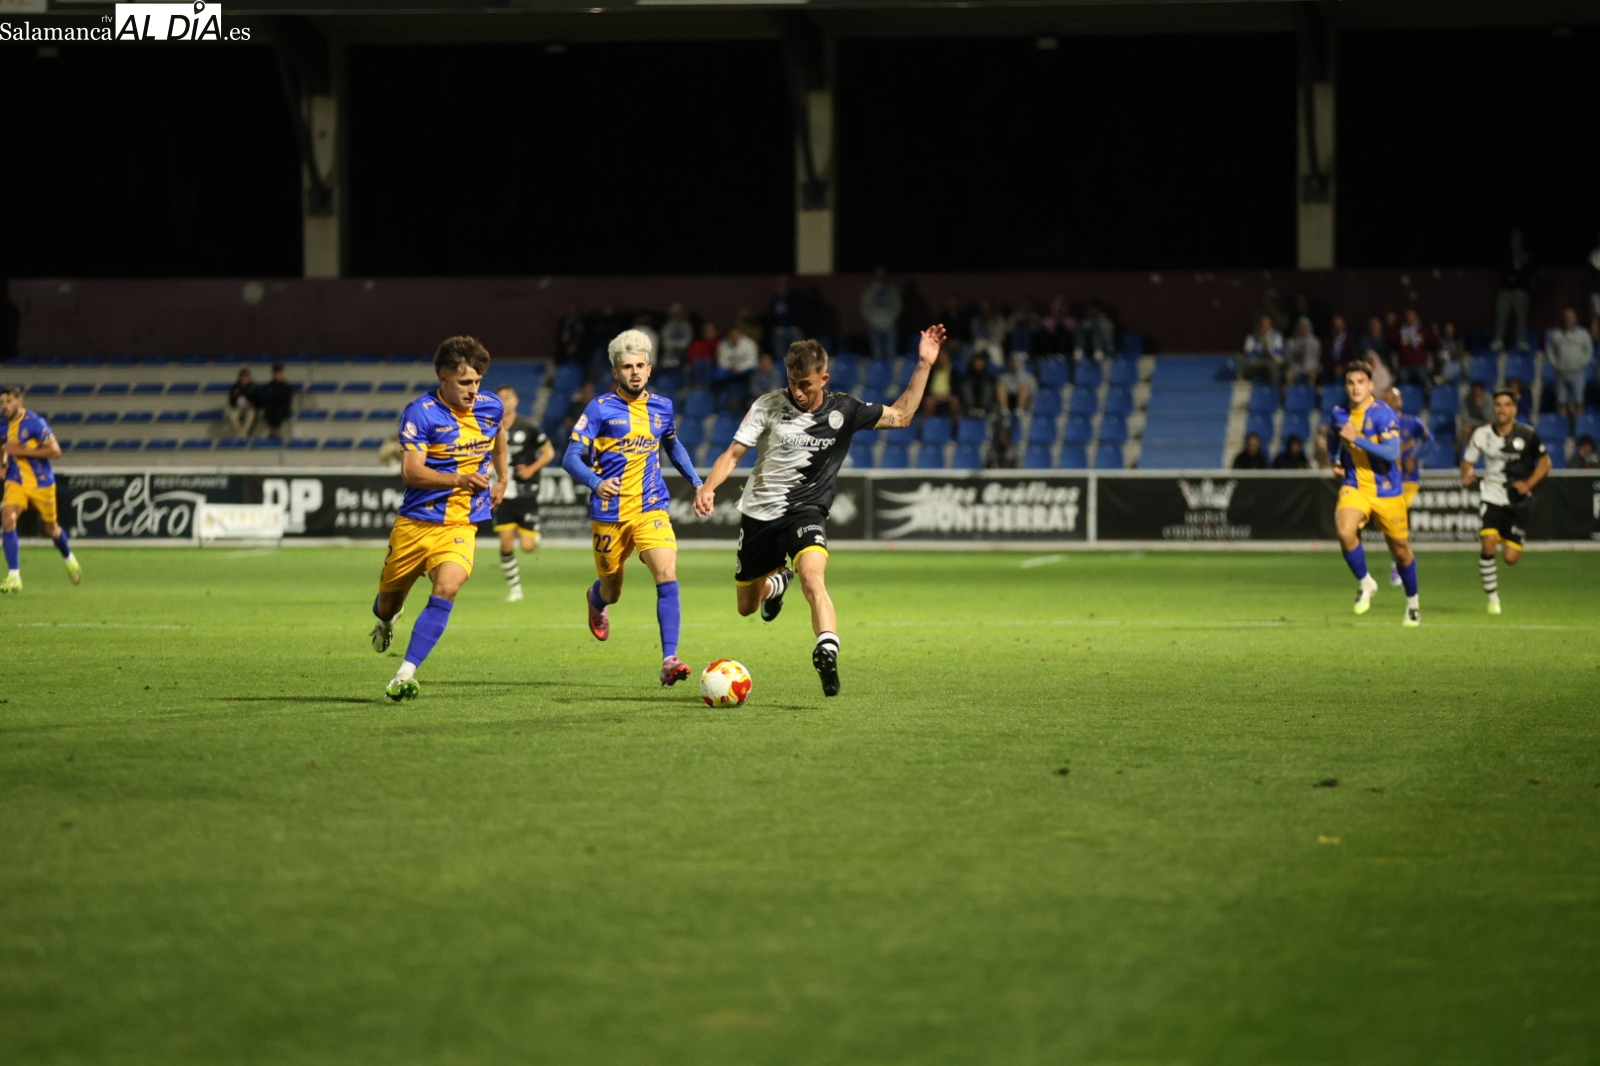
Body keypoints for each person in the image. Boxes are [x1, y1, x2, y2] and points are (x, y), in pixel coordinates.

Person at [692, 325, 946, 697]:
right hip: (759, 515)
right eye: (792, 383)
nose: (797, 391)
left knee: (813, 578)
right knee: (746, 607)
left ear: (823, 379)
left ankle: (826, 649)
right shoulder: (767, 405)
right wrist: (708, 487)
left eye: (805, 385)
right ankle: (776, 584)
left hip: (806, 512)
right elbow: (733, 454)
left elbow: (902, 415)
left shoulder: (845, 409)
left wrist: (924, 363)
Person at [368, 337, 508, 703]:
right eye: (464, 382)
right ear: (443, 378)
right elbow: (411, 472)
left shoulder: (490, 406)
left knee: (447, 587)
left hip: (461, 524)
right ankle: (386, 619)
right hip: (415, 525)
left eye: (477, 381)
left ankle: (405, 673)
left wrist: (503, 478)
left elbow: (499, 436)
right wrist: (460, 479)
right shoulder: (420, 412)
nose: (473, 390)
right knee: (388, 603)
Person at [563, 329, 704, 687]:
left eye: (640, 366)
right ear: (616, 372)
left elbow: (673, 446)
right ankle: (596, 600)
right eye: (627, 367)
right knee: (612, 591)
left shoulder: (662, 407)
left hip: (650, 508)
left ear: (649, 369)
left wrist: (697, 483)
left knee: (667, 573)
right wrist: (595, 482)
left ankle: (669, 659)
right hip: (609, 515)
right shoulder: (599, 409)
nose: (635, 372)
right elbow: (570, 457)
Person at [1328, 360, 1420, 626]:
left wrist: (1356, 439)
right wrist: (1336, 459)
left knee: (1401, 551)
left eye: (1360, 382)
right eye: (1350, 382)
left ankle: (1412, 602)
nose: (1355, 387)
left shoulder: (1383, 415)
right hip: (1356, 485)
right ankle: (1366, 581)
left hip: (1387, 491)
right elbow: (1335, 436)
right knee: (1345, 530)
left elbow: (1392, 453)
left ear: (1370, 385)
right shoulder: (1339, 413)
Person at [1461, 389, 1550, 614]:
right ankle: (1493, 600)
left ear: (1514, 409)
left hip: (1518, 501)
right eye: (1498, 404)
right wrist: (1467, 473)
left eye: (1507, 405)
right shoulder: (1482, 434)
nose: (1502, 409)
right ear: (1493, 409)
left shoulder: (1527, 435)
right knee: (1488, 542)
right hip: (1490, 496)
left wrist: (1528, 484)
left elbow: (1545, 464)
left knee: (1510, 558)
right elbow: (1467, 462)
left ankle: (1506, 536)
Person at [0, 386, 81, 593]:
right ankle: (14, 576)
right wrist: (2, 464)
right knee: (8, 518)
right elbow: (3, 445)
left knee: (51, 528)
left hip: (41, 482)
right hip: (16, 480)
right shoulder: (2, 424)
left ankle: (69, 558)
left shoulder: (35, 423)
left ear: (20, 402)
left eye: (9, 402)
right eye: (2, 402)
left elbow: (55, 451)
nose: (4, 406)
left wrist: (22, 451)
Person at [490, 385, 554, 603]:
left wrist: (531, 469)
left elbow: (548, 452)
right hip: (502, 494)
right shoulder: (490, 428)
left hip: (526, 493)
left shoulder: (528, 427)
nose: (504, 401)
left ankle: (535, 536)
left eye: (508, 397)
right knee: (506, 543)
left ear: (516, 401)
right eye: (500, 398)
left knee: (527, 547)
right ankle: (515, 588)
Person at [1385, 386, 1431, 586]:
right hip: (1387, 480)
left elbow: (1430, 441)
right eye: (1386, 399)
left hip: (1408, 481)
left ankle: (1399, 566)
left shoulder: (1413, 423)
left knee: (1399, 517)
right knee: (1392, 525)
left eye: (1393, 398)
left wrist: (1416, 457)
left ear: (1400, 401)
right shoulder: (1377, 424)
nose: (1389, 402)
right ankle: (1402, 560)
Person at [1548, 307, 1594, 429]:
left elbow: (1589, 350)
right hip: (1561, 374)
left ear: (1576, 319)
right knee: (1561, 403)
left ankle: (1579, 430)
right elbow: (1550, 351)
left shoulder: (1583, 334)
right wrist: (1556, 364)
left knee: (1578, 403)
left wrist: (1581, 363)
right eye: (1567, 318)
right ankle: (1561, 430)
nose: (1569, 320)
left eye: (1571, 317)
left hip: (1578, 373)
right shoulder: (1556, 335)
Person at [1492, 228, 1533, 351]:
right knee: (1502, 315)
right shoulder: (1504, 251)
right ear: (1512, 237)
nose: (1517, 238)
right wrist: (1507, 277)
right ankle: (1499, 340)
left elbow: (1529, 270)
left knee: (1521, 317)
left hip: (1521, 290)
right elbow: (1499, 268)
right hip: (1506, 289)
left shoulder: (1525, 252)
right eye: (1515, 235)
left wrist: (1520, 279)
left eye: (1519, 236)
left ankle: (1521, 341)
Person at [859, 266, 902, 361]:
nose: (881, 276)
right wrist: (871, 321)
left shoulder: (892, 291)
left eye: (883, 274)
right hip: (874, 326)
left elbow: (897, 306)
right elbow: (865, 306)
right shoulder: (869, 290)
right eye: (878, 274)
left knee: (891, 354)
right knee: (877, 354)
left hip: (889, 325)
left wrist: (892, 319)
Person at [1240, 315, 1284, 388]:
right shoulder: (1252, 337)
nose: (1264, 326)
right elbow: (1248, 353)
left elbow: (1280, 352)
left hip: (1271, 362)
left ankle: (1274, 391)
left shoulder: (1277, 336)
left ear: (1270, 325)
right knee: (1244, 364)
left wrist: (1267, 347)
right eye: (1262, 324)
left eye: (1266, 324)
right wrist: (1260, 348)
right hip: (1255, 363)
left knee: (1273, 367)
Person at [767, 276, 806, 358]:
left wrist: (800, 327)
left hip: (793, 329)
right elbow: (771, 314)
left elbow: (802, 312)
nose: (782, 284)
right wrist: (774, 328)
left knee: (798, 353)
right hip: (780, 330)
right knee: (780, 353)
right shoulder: (775, 298)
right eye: (780, 283)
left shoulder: (795, 296)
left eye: (784, 282)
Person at [922, 343, 961, 424]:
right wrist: (932, 395)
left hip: (948, 396)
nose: (942, 359)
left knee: (955, 402)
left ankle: (955, 426)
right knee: (928, 402)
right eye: (940, 357)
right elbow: (926, 386)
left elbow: (957, 387)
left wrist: (949, 395)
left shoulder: (954, 371)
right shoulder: (932, 371)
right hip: (934, 396)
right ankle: (930, 426)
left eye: (944, 356)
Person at [1395, 309, 1432, 388]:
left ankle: (1427, 395)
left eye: (1413, 317)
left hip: (1420, 364)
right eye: (1409, 317)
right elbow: (1395, 344)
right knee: (1402, 380)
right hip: (1405, 365)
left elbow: (1431, 343)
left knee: (1425, 380)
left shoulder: (1422, 331)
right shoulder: (1401, 332)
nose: (1411, 319)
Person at [256, 363, 294, 440]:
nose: (278, 375)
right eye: (276, 372)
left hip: (282, 408)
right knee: (270, 409)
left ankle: (274, 429)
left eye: (280, 372)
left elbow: (288, 400)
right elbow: (265, 398)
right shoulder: (269, 386)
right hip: (271, 408)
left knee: (280, 409)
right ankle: (275, 429)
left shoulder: (286, 387)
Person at [1285, 316, 1321, 387]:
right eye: (1300, 327)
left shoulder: (1315, 342)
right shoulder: (1291, 342)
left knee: (1312, 374)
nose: (1302, 329)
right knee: (1288, 374)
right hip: (1295, 366)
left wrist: (1311, 367)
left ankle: (1310, 392)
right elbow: (1288, 358)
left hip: (1309, 366)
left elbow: (1316, 358)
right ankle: (1291, 392)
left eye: (1304, 327)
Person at [658, 303, 693, 372]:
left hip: (684, 352)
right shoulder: (668, 326)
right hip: (670, 352)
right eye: (675, 313)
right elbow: (665, 341)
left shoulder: (687, 326)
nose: (678, 315)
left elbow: (688, 340)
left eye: (680, 313)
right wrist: (673, 346)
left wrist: (679, 346)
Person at [225, 368, 257, 437]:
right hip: (238, 407)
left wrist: (251, 403)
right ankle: (243, 435)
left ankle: (242, 434)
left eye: (246, 377)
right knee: (232, 415)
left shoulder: (252, 387)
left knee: (251, 414)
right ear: (239, 378)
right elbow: (231, 401)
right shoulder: (235, 387)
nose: (244, 379)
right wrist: (235, 397)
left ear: (248, 378)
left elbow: (256, 399)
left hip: (249, 407)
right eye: (242, 377)